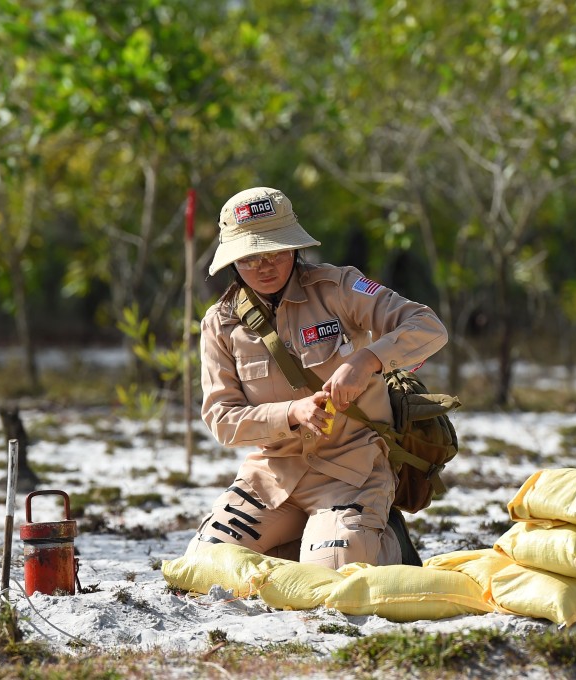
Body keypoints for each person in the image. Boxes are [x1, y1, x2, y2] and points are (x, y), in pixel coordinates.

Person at [185, 186, 448, 569]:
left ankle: (382, 540)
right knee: (204, 566)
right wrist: (292, 413)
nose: (264, 266)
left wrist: (367, 360)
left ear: (294, 247)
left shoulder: (337, 289)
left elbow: (428, 326)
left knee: (332, 571)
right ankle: (314, 541)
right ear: (233, 260)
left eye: (275, 250)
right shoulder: (221, 323)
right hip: (272, 476)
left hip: (351, 470)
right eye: (249, 257)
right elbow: (223, 421)